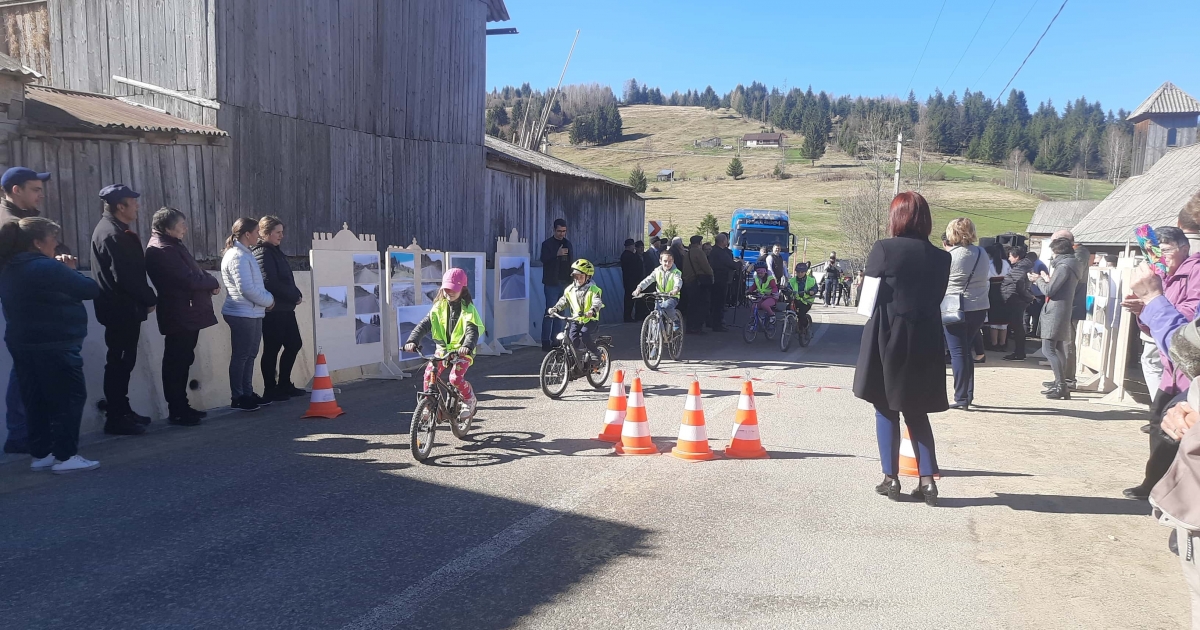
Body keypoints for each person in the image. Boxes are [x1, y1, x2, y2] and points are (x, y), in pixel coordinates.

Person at [854, 192, 950, 506]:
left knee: (885, 407)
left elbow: (866, 301)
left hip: (888, 333)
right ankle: (927, 481)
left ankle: (891, 477)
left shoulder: (884, 249)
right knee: (917, 410)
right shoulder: (942, 258)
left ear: (897, 217)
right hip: (926, 337)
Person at [0, 217, 100, 473]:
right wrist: (70, 269)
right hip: (56, 343)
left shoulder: (9, 267)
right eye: (53, 238)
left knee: (36, 399)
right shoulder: (46, 266)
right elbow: (89, 289)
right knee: (70, 398)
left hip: (23, 343)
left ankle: (41, 453)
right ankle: (66, 456)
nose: (56, 244)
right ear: (37, 242)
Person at [1121, 226, 1200, 500]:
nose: (1160, 256)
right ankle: (1153, 484)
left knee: (1179, 431)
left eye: (1165, 250)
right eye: (1155, 251)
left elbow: (1189, 325)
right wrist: (1143, 310)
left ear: (1184, 248)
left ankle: (1172, 492)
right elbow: (1155, 329)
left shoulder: (1195, 272)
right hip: (1172, 368)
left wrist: (1153, 301)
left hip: (1190, 371)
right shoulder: (1162, 276)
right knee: (1158, 423)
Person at [91, 184, 157, 435]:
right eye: (133, 202)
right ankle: (116, 417)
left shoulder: (113, 230)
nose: (137, 206)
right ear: (120, 206)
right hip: (120, 310)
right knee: (119, 363)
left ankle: (122, 409)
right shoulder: (113, 234)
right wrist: (149, 298)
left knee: (123, 362)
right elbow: (126, 276)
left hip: (121, 309)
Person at [145, 208, 220, 426]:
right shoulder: (162, 249)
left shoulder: (172, 244)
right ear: (167, 227)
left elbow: (195, 272)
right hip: (179, 313)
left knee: (184, 359)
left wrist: (208, 281)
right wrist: (212, 282)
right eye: (181, 224)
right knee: (176, 362)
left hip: (187, 312)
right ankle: (177, 409)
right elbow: (188, 279)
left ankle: (182, 405)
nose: (185, 228)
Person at [0, 167, 54, 454]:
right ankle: (19, 432)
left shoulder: (25, 219)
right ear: (16, 190)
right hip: (24, 304)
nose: (40, 195)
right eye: (35, 189)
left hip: (33, 302)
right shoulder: (10, 225)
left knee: (32, 366)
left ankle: (28, 430)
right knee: (25, 367)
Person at [404, 269, 483, 419]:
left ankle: (469, 399)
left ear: (463, 289)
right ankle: (427, 405)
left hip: (462, 350)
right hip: (443, 349)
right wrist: (412, 340)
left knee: (455, 378)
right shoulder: (438, 307)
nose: (449, 292)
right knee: (429, 374)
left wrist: (467, 346)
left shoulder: (469, 310)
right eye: (446, 289)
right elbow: (423, 325)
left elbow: (472, 331)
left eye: (454, 289)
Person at [220, 217, 275, 412]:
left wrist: (265, 301)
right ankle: (238, 396)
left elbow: (254, 286)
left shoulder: (246, 253)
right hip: (241, 312)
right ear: (247, 234)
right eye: (256, 232)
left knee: (250, 354)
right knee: (241, 355)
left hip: (252, 312)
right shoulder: (237, 256)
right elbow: (247, 289)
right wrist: (269, 300)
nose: (259, 235)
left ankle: (247, 392)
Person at [252, 216, 305, 402]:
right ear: (265, 233)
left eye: (282, 232)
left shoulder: (275, 251)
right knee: (272, 349)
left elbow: (286, 278)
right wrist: (293, 296)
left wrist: (297, 293)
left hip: (286, 308)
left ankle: (284, 384)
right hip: (274, 310)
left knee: (294, 344)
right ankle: (271, 388)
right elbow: (270, 282)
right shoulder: (263, 252)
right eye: (278, 232)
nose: (281, 236)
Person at [942, 218, 990, 411]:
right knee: (966, 350)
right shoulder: (982, 252)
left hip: (955, 307)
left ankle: (960, 397)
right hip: (979, 306)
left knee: (958, 353)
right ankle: (967, 394)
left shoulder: (950, 256)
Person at [1034, 236, 1081, 400]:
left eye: (1053, 253)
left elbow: (1049, 291)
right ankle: (1060, 383)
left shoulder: (1063, 266)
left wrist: (1038, 280)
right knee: (1059, 348)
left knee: (1048, 349)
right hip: (1063, 309)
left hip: (1056, 310)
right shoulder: (1073, 264)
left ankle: (1061, 386)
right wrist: (1048, 280)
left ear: (1057, 252)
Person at [547, 259, 604, 367]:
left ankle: (595, 353)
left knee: (585, 334)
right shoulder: (569, 289)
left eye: (581, 276)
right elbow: (564, 301)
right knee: (572, 338)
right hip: (576, 319)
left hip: (590, 319)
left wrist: (592, 311)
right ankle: (577, 359)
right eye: (575, 276)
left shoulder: (594, 289)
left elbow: (597, 302)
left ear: (588, 277)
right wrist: (555, 309)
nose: (578, 279)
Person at [539, 219, 574, 351]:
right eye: (559, 231)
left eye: (564, 231)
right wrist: (556, 254)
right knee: (550, 312)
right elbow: (543, 259)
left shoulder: (568, 243)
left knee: (561, 312)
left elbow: (571, 261)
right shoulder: (547, 244)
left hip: (565, 282)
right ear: (554, 230)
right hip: (552, 283)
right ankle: (545, 341)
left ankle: (557, 341)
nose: (561, 234)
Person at [1000, 245, 1036, 361]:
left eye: (1010, 256)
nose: (1009, 258)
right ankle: (1019, 352)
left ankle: (1019, 353)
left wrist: (1028, 297)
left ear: (1017, 257)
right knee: (1017, 326)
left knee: (1017, 326)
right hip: (1018, 298)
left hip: (1016, 299)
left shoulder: (1021, 267)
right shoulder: (1023, 266)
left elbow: (1019, 284)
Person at [633, 249, 683, 331]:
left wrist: (676, 289)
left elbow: (678, 281)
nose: (667, 263)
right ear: (660, 261)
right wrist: (639, 288)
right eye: (665, 261)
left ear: (673, 261)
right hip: (659, 297)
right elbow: (648, 280)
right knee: (656, 315)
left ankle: (675, 320)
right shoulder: (657, 271)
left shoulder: (676, 272)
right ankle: (655, 334)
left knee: (667, 306)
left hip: (672, 296)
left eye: (670, 261)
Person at [708, 233, 740, 332]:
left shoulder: (713, 251)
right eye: (726, 240)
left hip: (714, 280)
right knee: (719, 303)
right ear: (722, 242)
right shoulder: (721, 253)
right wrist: (740, 263)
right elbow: (730, 264)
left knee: (714, 303)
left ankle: (712, 322)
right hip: (720, 280)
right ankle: (717, 325)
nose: (727, 242)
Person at [684, 235, 714, 334]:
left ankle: (689, 326)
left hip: (689, 281)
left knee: (691, 305)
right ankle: (697, 327)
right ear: (699, 243)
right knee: (701, 305)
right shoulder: (699, 252)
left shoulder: (687, 253)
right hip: (698, 282)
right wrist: (711, 276)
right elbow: (706, 267)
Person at [984, 242, 1011, 351]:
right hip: (1004, 290)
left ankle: (994, 343)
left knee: (993, 319)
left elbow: (986, 277)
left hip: (993, 290)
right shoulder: (1006, 263)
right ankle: (1002, 343)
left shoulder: (989, 263)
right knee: (1003, 319)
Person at [786, 262, 818, 327]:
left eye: (802, 272)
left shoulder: (811, 280)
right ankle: (790, 325)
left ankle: (805, 327)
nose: (800, 274)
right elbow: (788, 288)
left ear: (805, 272)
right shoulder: (792, 280)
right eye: (798, 272)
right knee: (787, 309)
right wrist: (786, 290)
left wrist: (811, 292)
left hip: (806, 302)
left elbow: (815, 289)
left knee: (801, 314)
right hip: (796, 300)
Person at [1025, 251, 1048, 336]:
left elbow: (1045, 278)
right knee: (1028, 312)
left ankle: (1034, 331)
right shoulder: (1035, 264)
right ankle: (1027, 330)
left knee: (1035, 314)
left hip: (1038, 293)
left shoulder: (1040, 265)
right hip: (1032, 292)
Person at [620, 238, 642, 323]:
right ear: (630, 246)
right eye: (633, 246)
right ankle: (628, 317)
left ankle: (627, 316)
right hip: (631, 280)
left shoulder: (624, 255)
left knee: (628, 298)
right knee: (630, 299)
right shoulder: (630, 256)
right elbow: (636, 266)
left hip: (627, 280)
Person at [633, 240, 650, 319]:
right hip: (638, 280)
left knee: (646, 298)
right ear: (636, 248)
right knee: (638, 299)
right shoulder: (634, 257)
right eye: (640, 247)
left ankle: (645, 314)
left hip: (646, 279)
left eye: (643, 247)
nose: (642, 249)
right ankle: (638, 315)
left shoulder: (646, 256)